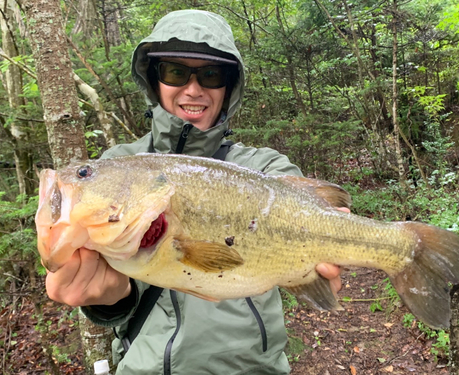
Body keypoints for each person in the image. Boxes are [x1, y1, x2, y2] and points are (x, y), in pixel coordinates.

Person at [45, 9, 344, 374]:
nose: (193, 88)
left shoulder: (263, 168)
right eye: (175, 71)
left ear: (228, 85)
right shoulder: (118, 164)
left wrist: (337, 235)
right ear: (155, 79)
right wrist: (107, 299)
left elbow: (314, 209)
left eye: (211, 74)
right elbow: (120, 289)